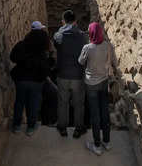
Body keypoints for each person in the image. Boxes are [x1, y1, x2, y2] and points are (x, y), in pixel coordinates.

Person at [10, 21, 51, 136]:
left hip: (21, 79)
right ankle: (30, 127)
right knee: (33, 104)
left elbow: (12, 57)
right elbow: (45, 65)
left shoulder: (22, 45)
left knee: (19, 102)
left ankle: (17, 126)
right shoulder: (43, 47)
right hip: (36, 81)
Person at [78, 22, 113, 155]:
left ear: (91, 33)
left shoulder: (88, 47)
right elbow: (108, 63)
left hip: (91, 84)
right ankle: (107, 142)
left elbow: (80, 61)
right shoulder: (107, 45)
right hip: (103, 81)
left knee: (95, 115)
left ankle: (97, 145)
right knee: (104, 112)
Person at [53, 9, 87, 138]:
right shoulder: (83, 36)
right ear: (76, 21)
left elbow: (56, 42)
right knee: (78, 103)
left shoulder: (59, 36)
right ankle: (78, 129)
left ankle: (62, 128)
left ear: (63, 21)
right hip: (77, 75)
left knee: (63, 102)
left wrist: (62, 28)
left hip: (63, 74)